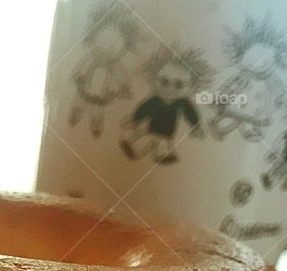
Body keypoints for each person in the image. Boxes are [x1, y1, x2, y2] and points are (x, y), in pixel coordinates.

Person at [120, 46, 213, 165]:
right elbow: (144, 109)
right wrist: (134, 119)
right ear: (154, 80)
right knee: (143, 134)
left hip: (167, 132)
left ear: (191, 88)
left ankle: (165, 156)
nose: (170, 88)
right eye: (164, 82)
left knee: (164, 143)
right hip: (151, 127)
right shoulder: (155, 99)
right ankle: (131, 145)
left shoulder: (182, 102)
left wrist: (196, 126)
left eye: (178, 85)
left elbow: (191, 114)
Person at [69, 3, 138, 138]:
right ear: (93, 38)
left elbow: (122, 78)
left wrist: (124, 87)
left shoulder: (116, 66)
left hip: (100, 96)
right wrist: (76, 76)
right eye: (103, 41)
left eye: (114, 44)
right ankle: (74, 116)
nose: (107, 47)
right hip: (83, 91)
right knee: (78, 104)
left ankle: (96, 127)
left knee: (97, 113)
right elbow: (78, 68)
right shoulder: (89, 58)